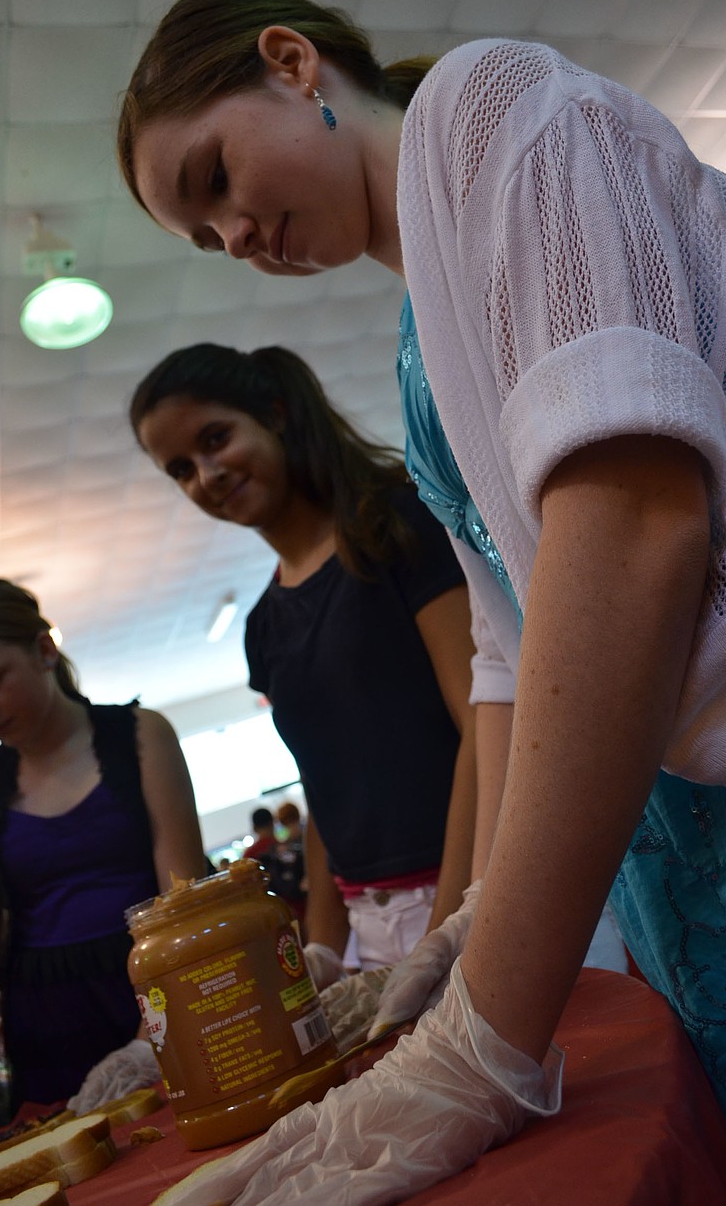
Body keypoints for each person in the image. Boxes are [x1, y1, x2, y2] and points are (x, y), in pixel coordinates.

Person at [117, 0, 726, 1206]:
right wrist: (464, 914)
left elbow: (636, 523)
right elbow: (502, 654)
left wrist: (481, 1043)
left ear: (292, 63)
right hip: (680, 857)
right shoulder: (422, 330)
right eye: (203, 240)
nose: (236, 239)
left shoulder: (486, 106)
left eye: (212, 179)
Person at [130, 341, 479, 980]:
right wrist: (322, 944)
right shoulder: (263, 625)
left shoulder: (398, 525)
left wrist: (448, 927)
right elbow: (322, 787)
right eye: (180, 468)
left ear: (276, 413)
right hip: (368, 927)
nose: (206, 475)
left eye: (215, 439)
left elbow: (485, 725)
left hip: (482, 885)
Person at [0, 578, 207, 1126]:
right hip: (47, 1023)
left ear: (43, 650)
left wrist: (148, 1039)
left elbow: (186, 900)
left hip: (155, 990)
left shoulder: (139, 737)